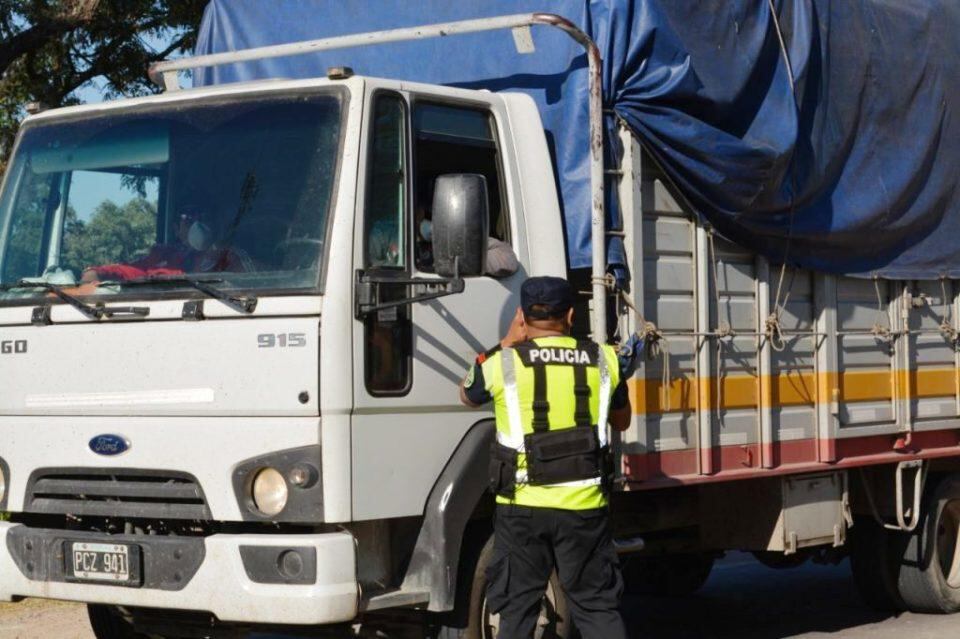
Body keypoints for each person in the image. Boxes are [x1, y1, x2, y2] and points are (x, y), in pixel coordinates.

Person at [460, 276, 631, 639]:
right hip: (584, 505)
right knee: (597, 605)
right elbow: (622, 420)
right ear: (570, 315)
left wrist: (507, 341)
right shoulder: (604, 360)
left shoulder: (502, 364)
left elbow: (467, 393)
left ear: (522, 316)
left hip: (521, 508)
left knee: (517, 610)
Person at [81, 205, 253, 282]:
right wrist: (97, 273)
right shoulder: (162, 256)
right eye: (189, 219)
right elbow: (130, 270)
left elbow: (254, 288)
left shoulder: (229, 256)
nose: (198, 225)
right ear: (176, 229)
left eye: (204, 218)